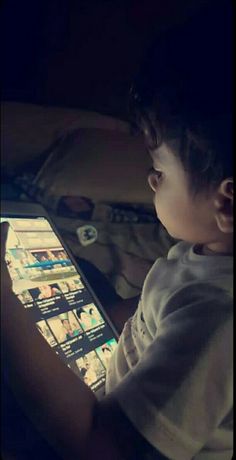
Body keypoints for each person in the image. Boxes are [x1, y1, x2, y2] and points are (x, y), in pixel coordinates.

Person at [1, 3, 233, 460]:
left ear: (226, 202)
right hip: (106, 387)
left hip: (97, 435)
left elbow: (99, 446)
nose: (150, 181)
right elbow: (164, 311)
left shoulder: (220, 320)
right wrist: (108, 319)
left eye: (158, 170)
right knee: (82, 278)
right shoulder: (206, 255)